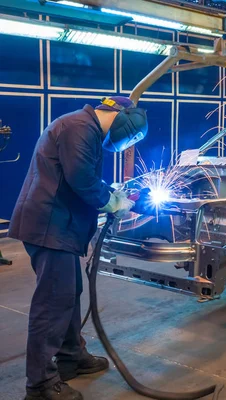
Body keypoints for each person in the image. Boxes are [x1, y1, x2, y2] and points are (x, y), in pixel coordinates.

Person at [9, 96, 148, 400]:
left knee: (69, 294)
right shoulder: (79, 127)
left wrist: (111, 190)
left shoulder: (85, 128)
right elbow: (82, 180)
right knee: (53, 303)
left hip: (60, 226)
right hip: (50, 227)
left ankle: (71, 356)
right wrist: (114, 202)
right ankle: (40, 385)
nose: (125, 145)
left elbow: (79, 173)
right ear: (124, 119)